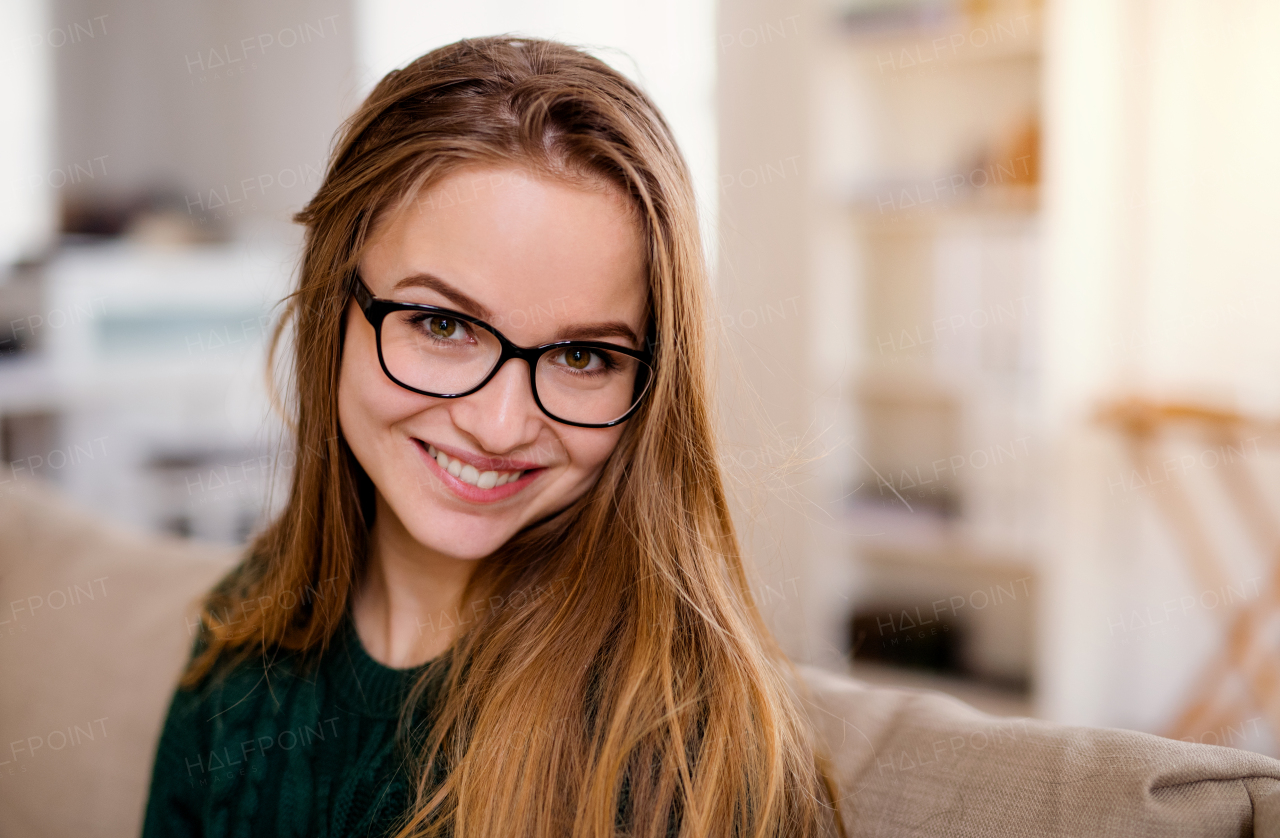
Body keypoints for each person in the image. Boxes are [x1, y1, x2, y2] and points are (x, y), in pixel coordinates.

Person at [141, 36, 844, 838]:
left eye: (585, 356)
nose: (501, 425)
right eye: (442, 324)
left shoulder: (674, 754)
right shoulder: (245, 631)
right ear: (333, 308)